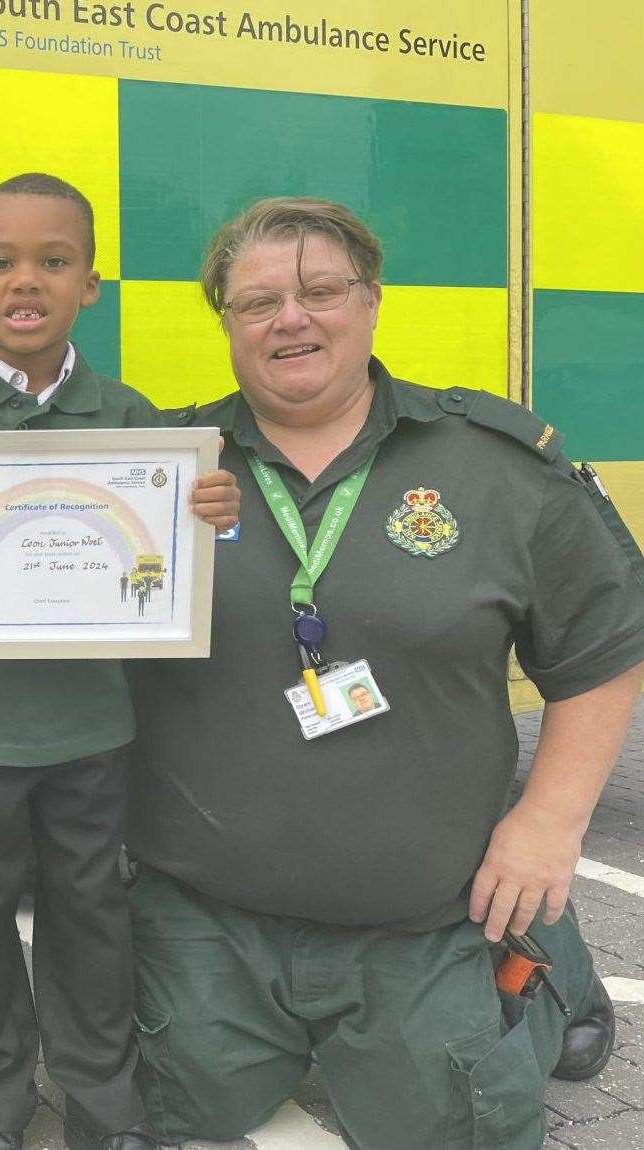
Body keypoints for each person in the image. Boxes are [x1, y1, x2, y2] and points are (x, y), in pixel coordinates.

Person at [120, 197, 644, 1149]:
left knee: (453, 1126)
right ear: (225, 322)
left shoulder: (493, 465)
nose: (292, 319)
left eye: (322, 290)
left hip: (424, 916)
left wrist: (550, 824)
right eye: (258, 302)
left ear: (371, 302)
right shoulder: (159, 469)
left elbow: (606, 645)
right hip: (206, 913)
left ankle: (552, 972)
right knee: (159, 1110)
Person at [0, 173, 241, 1150]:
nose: (25, 280)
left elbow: (173, 557)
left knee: (91, 918)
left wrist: (211, 518)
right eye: (1, 262)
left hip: (89, 727)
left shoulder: (135, 422)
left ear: (91, 286)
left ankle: (102, 1103)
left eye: (53, 260)